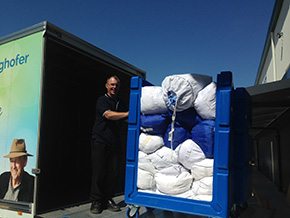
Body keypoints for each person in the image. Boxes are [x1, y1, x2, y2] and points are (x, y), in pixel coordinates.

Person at [90, 75, 129, 214]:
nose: (114, 87)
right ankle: (96, 201)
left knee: (112, 172)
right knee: (99, 171)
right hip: (100, 139)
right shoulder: (102, 100)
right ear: (106, 86)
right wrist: (126, 114)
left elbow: (126, 119)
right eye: (112, 85)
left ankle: (108, 199)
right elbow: (108, 115)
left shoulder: (121, 103)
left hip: (115, 141)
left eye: (116, 85)